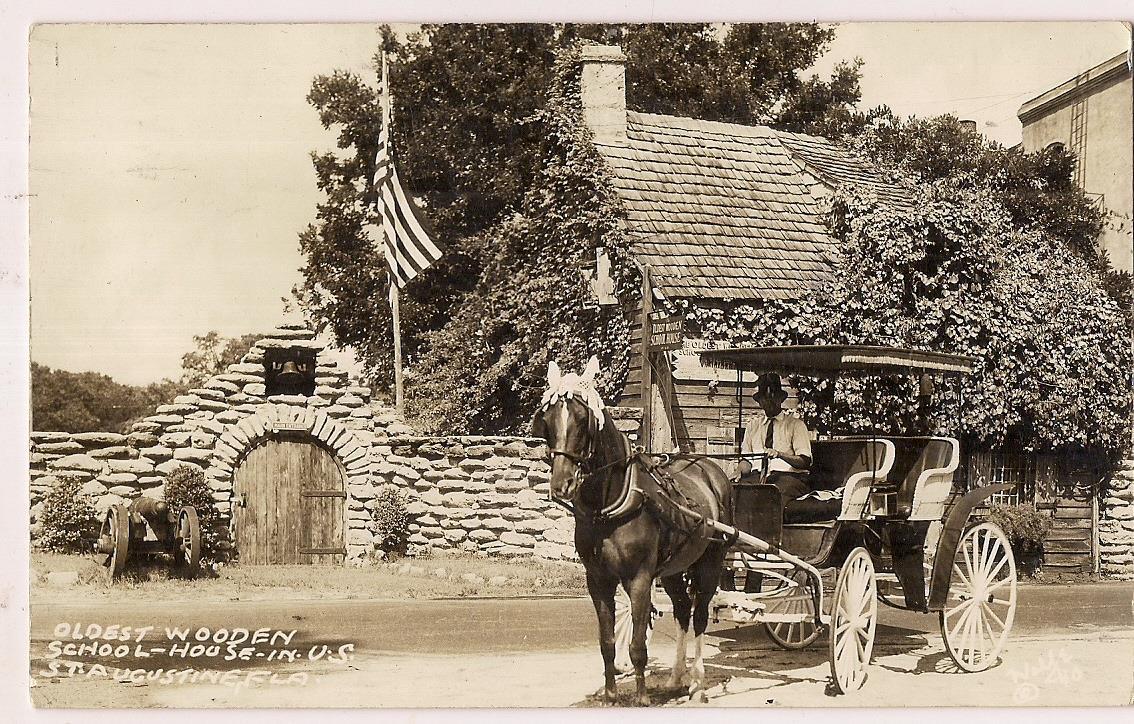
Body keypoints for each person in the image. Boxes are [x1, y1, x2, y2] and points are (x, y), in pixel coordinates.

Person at [738, 373, 812, 499]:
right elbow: (747, 460)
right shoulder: (752, 426)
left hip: (789, 478)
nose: (770, 402)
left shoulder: (796, 425)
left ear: (780, 399)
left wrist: (780, 454)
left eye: (773, 397)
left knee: (772, 495)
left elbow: (804, 461)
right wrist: (738, 471)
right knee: (738, 492)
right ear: (760, 402)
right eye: (765, 398)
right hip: (759, 478)